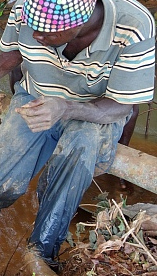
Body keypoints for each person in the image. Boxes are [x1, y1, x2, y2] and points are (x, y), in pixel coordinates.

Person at [0, 0, 155, 276]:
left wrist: (66, 108)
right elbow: (12, 55)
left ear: (79, 24)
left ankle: (40, 255)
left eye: (45, 34)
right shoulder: (29, 10)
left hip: (95, 113)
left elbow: (121, 107)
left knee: (75, 158)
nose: (36, 37)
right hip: (37, 98)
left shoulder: (134, 28)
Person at [9, 65, 140, 190]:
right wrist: (20, 105)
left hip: (94, 90)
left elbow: (130, 102)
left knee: (129, 102)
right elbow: (15, 68)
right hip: (50, 82)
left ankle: (120, 156)